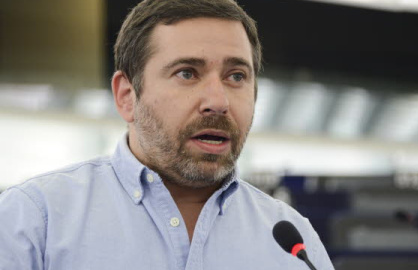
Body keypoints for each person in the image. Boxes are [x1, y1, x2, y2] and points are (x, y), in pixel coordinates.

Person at [0, 0, 335, 269]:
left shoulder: (295, 242)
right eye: (187, 73)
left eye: (236, 76)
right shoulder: (33, 221)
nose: (218, 102)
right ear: (127, 96)